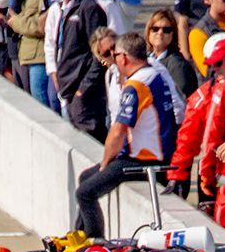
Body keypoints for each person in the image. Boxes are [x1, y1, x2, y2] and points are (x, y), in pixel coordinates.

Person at [74, 32, 177, 239]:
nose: (113, 57)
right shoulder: (154, 74)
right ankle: (78, 235)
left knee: (85, 193)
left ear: (124, 57)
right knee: (86, 177)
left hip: (143, 161)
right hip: (151, 154)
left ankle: (95, 244)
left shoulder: (137, 84)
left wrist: (105, 162)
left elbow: (119, 129)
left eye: (116, 53)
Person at [167, 34, 225, 234]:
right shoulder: (211, 92)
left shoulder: (221, 90)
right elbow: (192, 135)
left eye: (218, 63)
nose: (214, 69)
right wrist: (182, 172)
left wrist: (188, 173)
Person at [50, 0, 114, 141]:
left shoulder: (89, 8)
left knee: (90, 144)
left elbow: (102, 55)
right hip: (68, 91)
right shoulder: (63, 8)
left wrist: (83, 89)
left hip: (85, 96)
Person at [147, 9, 199, 101]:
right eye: (155, 29)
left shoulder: (178, 64)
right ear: (148, 32)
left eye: (166, 30)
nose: (160, 33)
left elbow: (179, 98)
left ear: (173, 34)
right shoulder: (145, 59)